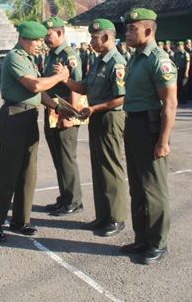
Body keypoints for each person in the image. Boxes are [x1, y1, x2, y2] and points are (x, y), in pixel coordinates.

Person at [0, 21, 70, 243]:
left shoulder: (29, 59)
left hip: (29, 116)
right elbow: (34, 86)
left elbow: (39, 94)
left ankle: (20, 220)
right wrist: (60, 78)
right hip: (14, 116)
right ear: (24, 39)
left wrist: (59, 108)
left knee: (27, 173)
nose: (40, 45)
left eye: (42, 40)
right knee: (8, 172)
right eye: (37, 40)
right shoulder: (15, 57)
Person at [118, 8, 177, 265]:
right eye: (127, 28)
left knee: (154, 188)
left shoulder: (158, 60)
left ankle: (157, 243)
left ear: (148, 31)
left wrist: (163, 141)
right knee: (137, 187)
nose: (127, 32)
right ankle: (142, 237)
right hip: (133, 124)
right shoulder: (135, 58)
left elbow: (170, 104)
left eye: (133, 28)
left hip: (150, 127)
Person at [62, 18, 129, 237]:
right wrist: (65, 80)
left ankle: (116, 218)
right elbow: (84, 87)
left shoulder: (117, 62)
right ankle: (103, 216)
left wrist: (95, 108)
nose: (91, 41)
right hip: (96, 116)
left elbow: (121, 97)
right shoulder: (100, 60)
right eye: (91, 36)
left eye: (94, 37)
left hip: (110, 118)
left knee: (111, 168)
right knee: (98, 169)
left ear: (108, 37)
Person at [41, 16, 84, 216]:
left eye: (48, 35)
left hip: (64, 111)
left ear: (59, 33)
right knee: (58, 157)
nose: (45, 39)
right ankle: (64, 197)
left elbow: (76, 86)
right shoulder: (51, 55)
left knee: (67, 157)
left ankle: (74, 201)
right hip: (52, 110)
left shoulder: (69, 55)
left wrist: (71, 115)